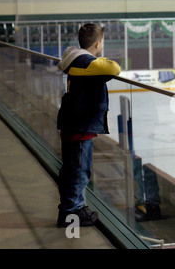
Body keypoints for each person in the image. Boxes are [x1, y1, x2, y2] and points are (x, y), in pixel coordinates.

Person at [56, 23, 121, 227]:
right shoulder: (86, 62)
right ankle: (71, 213)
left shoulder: (72, 56)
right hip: (80, 127)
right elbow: (114, 68)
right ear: (98, 43)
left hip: (74, 123)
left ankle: (73, 207)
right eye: (102, 42)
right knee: (78, 171)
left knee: (73, 169)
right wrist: (98, 57)